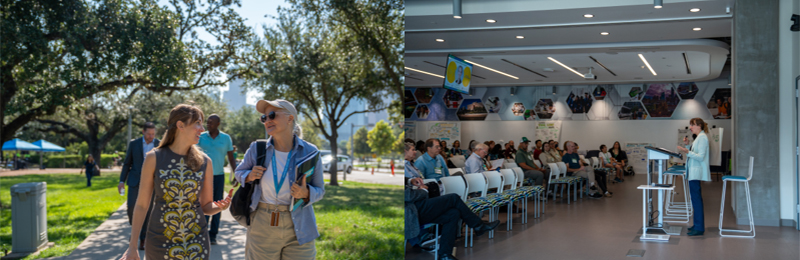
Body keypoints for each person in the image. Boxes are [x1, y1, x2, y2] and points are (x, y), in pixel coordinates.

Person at [120, 104, 232, 260]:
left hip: (196, 241)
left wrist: (221, 206)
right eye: (197, 123)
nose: (202, 129)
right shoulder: (154, 158)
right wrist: (132, 246)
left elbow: (206, 206)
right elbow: (141, 205)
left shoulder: (206, 162)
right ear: (180, 125)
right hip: (159, 240)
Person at [234, 99, 325, 259]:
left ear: (290, 119)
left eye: (272, 115)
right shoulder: (257, 148)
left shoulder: (310, 152)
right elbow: (238, 172)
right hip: (262, 222)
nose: (267, 121)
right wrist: (249, 175)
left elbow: (320, 190)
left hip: (300, 224)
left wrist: (306, 193)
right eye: (264, 118)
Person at [406, 175, 499, 260]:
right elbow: (407, 195)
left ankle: (445, 254)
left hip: (413, 208)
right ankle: (478, 226)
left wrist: (410, 180)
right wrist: (423, 191)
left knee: (453, 213)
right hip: (409, 212)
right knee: (453, 198)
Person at [118, 122, 160, 250]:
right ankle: (136, 226)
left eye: (153, 134)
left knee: (147, 210)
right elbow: (127, 164)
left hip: (152, 183)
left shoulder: (159, 144)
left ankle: (142, 238)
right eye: (148, 134)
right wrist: (121, 181)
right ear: (143, 132)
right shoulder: (134, 144)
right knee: (131, 206)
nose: (151, 136)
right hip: (135, 181)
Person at [197, 114, 237, 245]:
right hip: (202, 176)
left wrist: (236, 174)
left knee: (218, 204)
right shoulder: (201, 137)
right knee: (203, 205)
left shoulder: (226, 138)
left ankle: (213, 234)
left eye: (211, 123)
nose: (208, 124)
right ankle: (202, 232)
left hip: (219, 176)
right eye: (207, 122)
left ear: (218, 124)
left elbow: (231, 158)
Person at [677, 118, 711, 236]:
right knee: (695, 199)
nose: (690, 127)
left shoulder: (702, 138)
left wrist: (687, 151)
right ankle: (697, 225)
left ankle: (699, 227)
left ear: (699, 126)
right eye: (690, 125)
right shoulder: (699, 138)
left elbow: (700, 156)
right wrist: (688, 145)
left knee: (696, 199)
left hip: (696, 173)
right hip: (693, 172)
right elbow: (696, 151)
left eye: (692, 125)